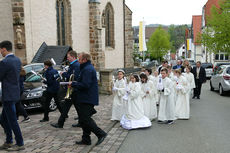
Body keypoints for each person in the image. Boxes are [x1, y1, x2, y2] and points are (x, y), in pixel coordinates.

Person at [72, 52, 107, 146]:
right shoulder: (86, 68)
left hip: (87, 97)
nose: (78, 61)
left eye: (79, 59)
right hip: (85, 97)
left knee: (85, 119)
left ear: (84, 60)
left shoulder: (87, 69)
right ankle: (86, 139)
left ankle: (101, 134)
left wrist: (73, 84)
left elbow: (85, 85)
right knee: (83, 119)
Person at [0, 40, 25, 151]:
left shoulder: (5, 62)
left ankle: (20, 143)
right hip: (14, 93)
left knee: (12, 121)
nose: (0, 52)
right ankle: (9, 141)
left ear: (4, 49)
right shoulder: (17, 60)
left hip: (8, 95)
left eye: (0, 50)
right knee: (3, 119)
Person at [51, 51, 80, 128]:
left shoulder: (75, 65)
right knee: (74, 107)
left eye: (68, 57)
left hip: (73, 89)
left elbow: (74, 77)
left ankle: (60, 123)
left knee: (69, 107)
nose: (67, 58)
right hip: (73, 90)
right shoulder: (74, 65)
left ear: (73, 57)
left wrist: (63, 73)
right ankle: (80, 121)